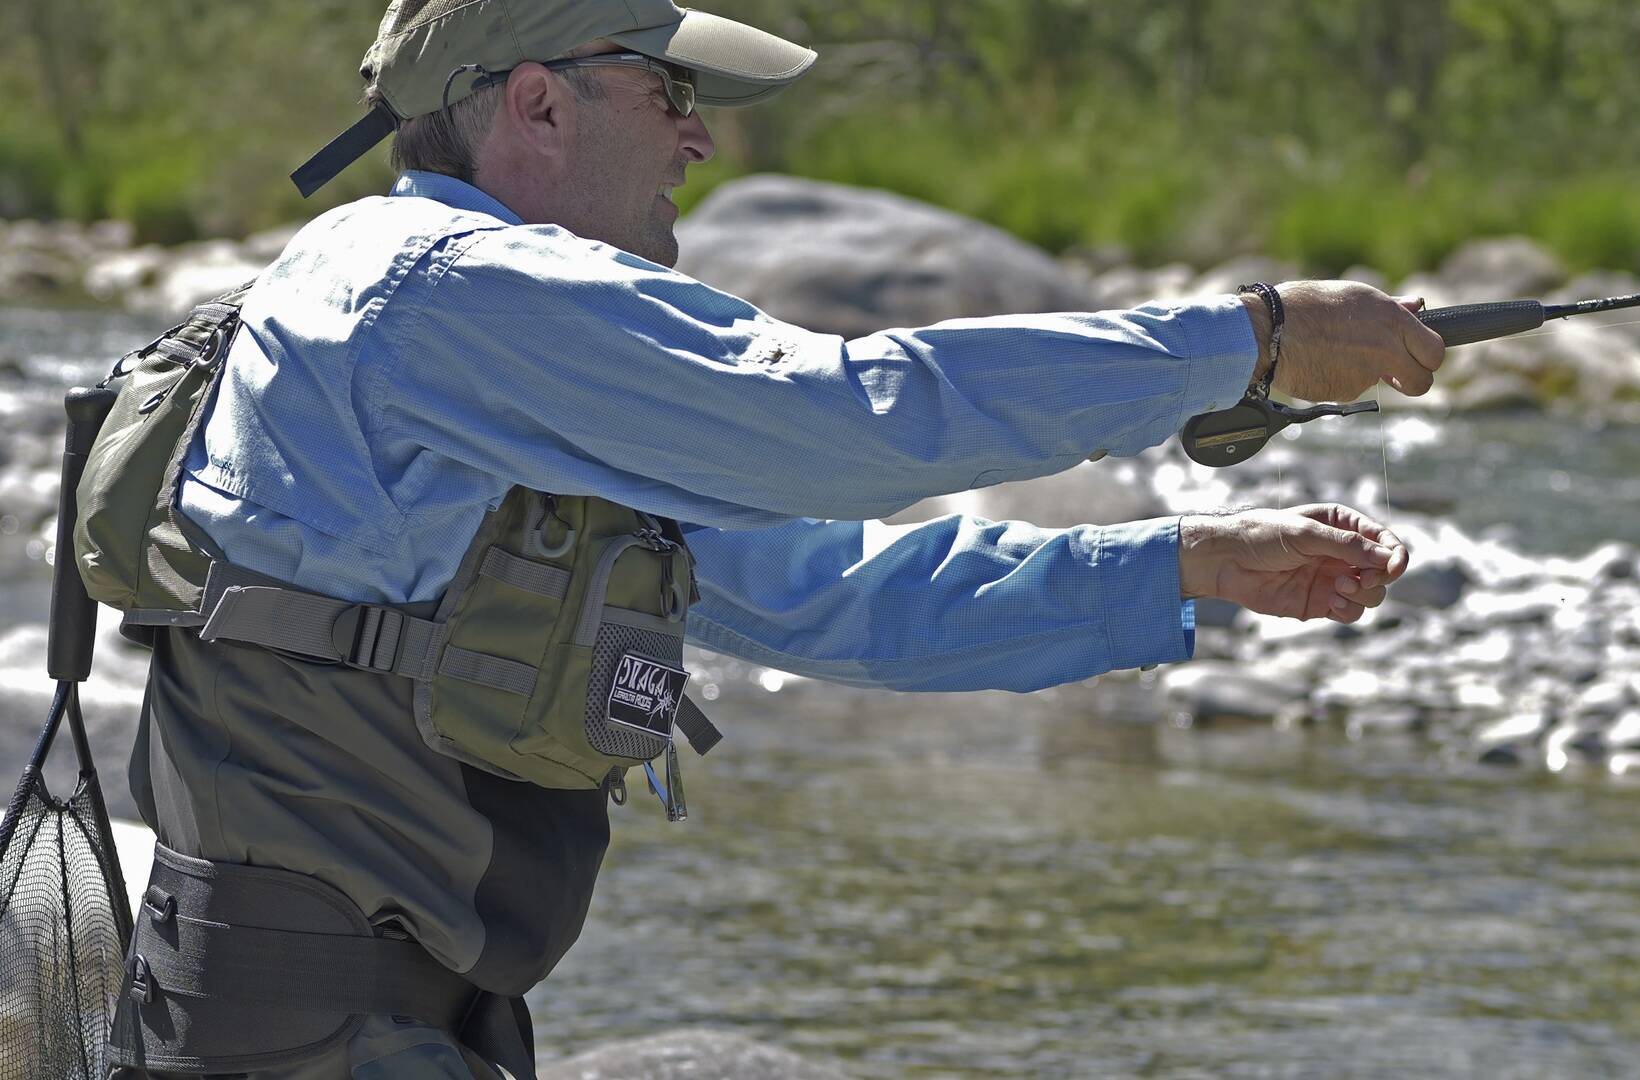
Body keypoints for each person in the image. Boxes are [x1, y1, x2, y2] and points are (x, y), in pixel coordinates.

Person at [105, 1, 1444, 1076]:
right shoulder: (444, 291)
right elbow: (844, 420)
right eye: (669, 90)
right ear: (539, 104)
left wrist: (1184, 564)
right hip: (314, 1030)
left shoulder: (470, 329)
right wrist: (1245, 342)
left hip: (362, 1021)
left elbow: (826, 597)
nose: (698, 139)